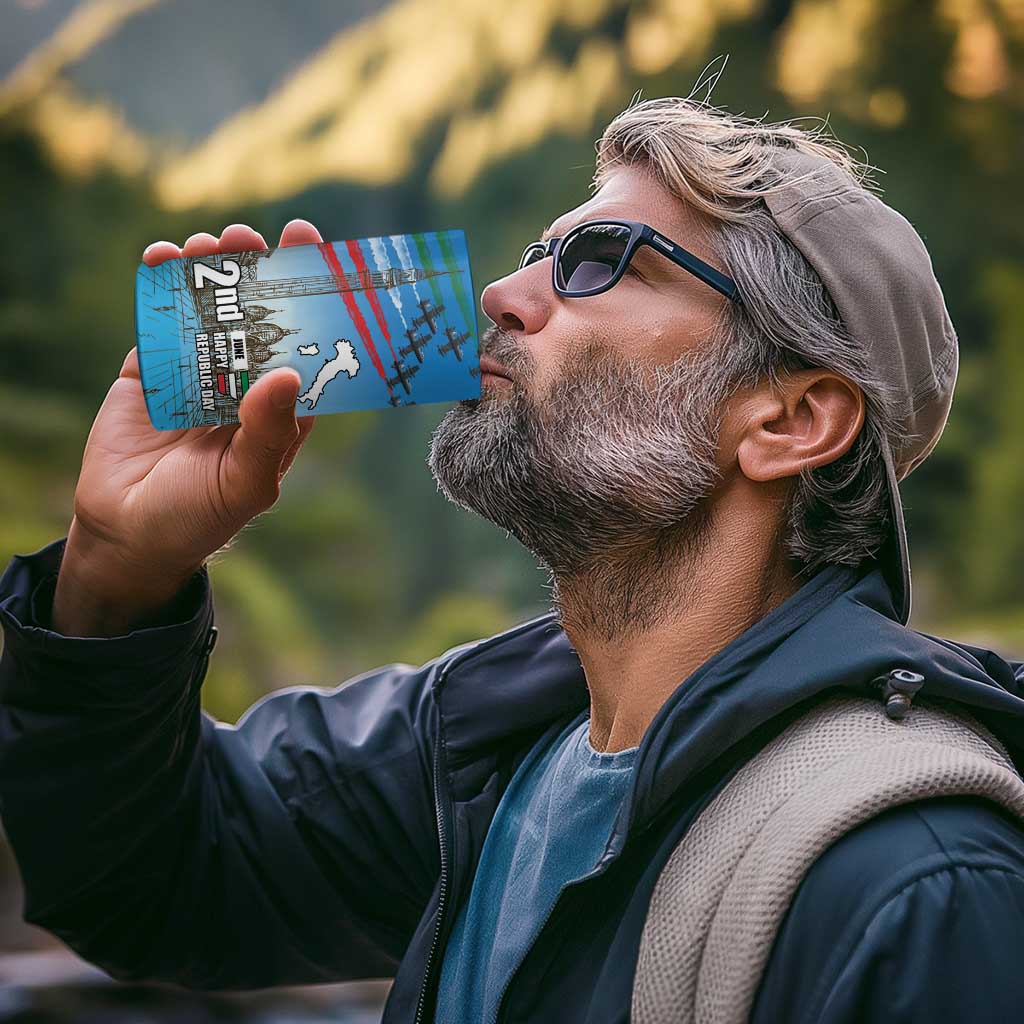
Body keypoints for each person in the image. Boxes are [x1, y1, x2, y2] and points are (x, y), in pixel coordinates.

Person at [2, 94, 1024, 1024]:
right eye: (539, 252)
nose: (502, 291)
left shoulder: (918, 884)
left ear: (790, 419)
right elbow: (149, 880)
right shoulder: (480, 748)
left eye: (600, 261)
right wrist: (115, 573)